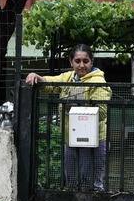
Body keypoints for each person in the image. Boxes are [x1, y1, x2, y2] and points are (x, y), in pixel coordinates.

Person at [24, 45, 111, 191]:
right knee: (70, 177)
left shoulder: (98, 81)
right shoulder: (68, 77)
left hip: (95, 138)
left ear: (91, 62)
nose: (81, 65)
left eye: (86, 61)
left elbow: (101, 112)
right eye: (77, 61)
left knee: (91, 181)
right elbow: (50, 83)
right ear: (71, 62)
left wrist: (77, 107)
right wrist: (36, 76)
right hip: (71, 136)